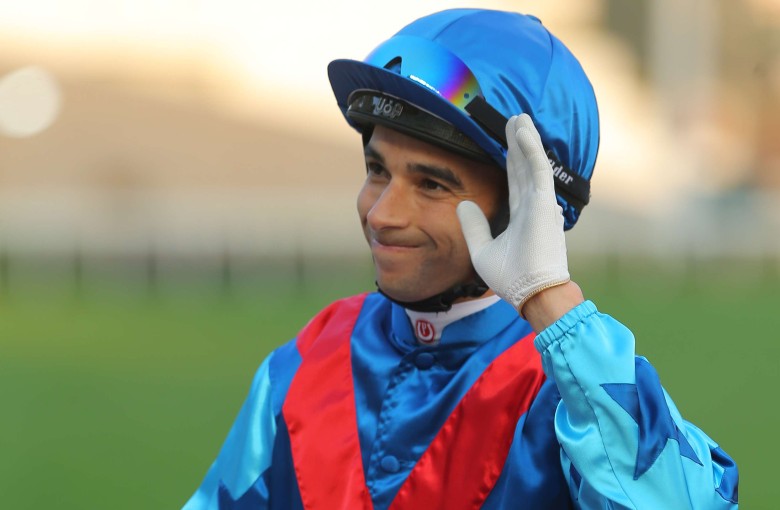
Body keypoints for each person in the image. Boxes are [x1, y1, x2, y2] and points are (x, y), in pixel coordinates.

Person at [183, 8, 738, 509]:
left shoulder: (570, 392)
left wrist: (549, 300)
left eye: (430, 184)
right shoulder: (307, 358)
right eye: (378, 170)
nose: (381, 215)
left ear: (525, 207)